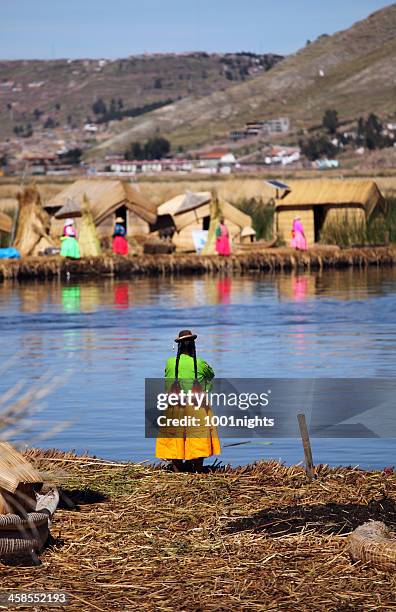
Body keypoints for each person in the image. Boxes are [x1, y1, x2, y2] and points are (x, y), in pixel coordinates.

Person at [155, 329, 221, 473]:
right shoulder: (201, 363)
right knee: (198, 436)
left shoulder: (170, 363)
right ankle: (197, 471)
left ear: (179, 346)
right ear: (193, 346)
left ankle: (177, 471)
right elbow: (211, 377)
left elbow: (167, 384)